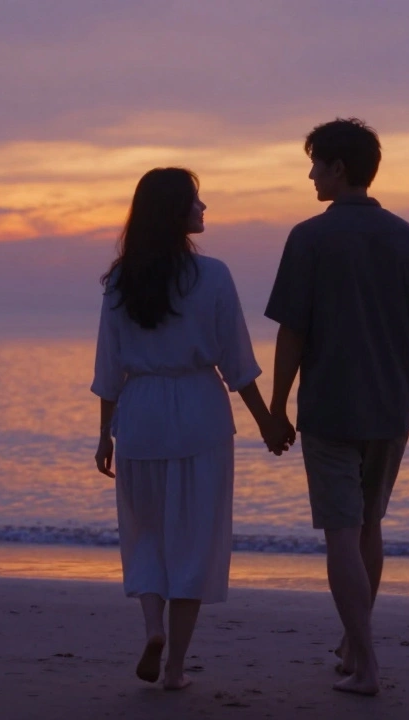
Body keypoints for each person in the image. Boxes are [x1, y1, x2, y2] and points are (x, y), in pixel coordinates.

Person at [263, 118, 409, 696]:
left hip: (332, 409)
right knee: (369, 527)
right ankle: (352, 642)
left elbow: (291, 333)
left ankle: (365, 662)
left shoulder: (309, 237)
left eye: (316, 163)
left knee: (342, 534)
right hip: (391, 409)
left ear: (340, 168)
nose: (311, 174)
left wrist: (276, 407)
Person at [92, 167, 288, 690]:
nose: (205, 209)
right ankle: (175, 666)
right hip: (200, 411)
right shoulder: (214, 275)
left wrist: (103, 434)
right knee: (194, 541)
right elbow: (238, 365)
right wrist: (268, 423)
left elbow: (108, 368)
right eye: (196, 202)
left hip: (140, 414)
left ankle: (153, 628)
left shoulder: (120, 281)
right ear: (175, 213)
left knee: (147, 534)